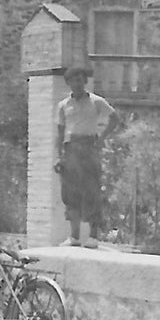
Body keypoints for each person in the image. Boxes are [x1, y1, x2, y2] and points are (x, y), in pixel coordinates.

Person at [54, 65, 120, 247]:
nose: (77, 83)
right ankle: (74, 236)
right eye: (73, 80)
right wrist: (58, 156)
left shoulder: (97, 101)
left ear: (85, 81)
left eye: (80, 79)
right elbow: (60, 133)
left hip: (89, 147)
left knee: (92, 190)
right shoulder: (63, 105)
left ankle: (93, 237)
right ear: (68, 83)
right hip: (71, 148)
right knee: (70, 192)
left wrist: (102, 138)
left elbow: (114, 118)